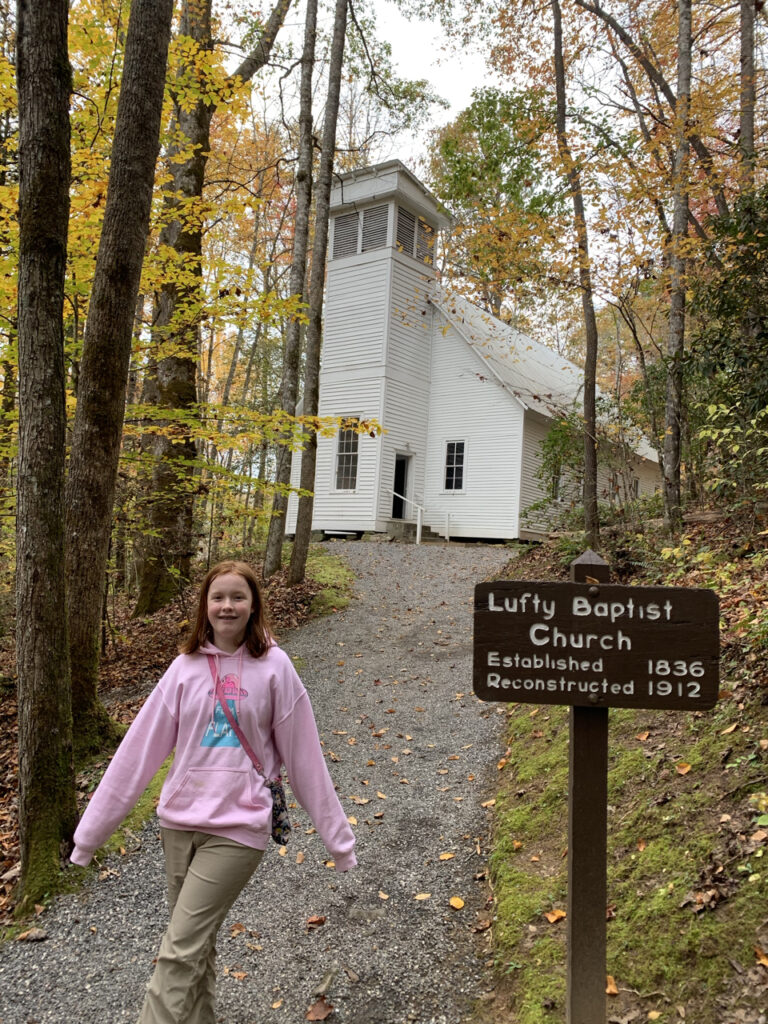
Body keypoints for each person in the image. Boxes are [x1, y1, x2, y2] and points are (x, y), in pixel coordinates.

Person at [70, 559, 356, 1024]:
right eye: (218, 597)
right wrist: (89, 837)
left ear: (253, 605)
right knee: (195, 943)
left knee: (178, 951)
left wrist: (338, 841)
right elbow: (135, 756)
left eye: (237, 597)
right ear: (205, 606)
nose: (227, 606)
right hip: (179, 824)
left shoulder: (276, 668)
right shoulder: (183, 669)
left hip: (238, 828)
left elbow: (306, 761)